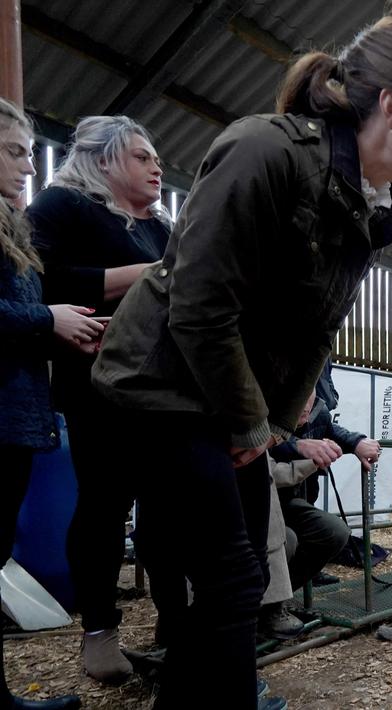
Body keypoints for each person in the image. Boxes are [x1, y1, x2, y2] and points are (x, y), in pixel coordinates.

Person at [90, 14, 392, 709]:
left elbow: (318, 325)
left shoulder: (367, 205)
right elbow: (201, 307)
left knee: (236, 580)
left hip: (216, 401)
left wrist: (277, 410)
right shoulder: (264, 151)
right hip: (158, 387)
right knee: (234, 578)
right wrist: (250, 427)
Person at [27, 115, 171, 684]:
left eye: (156, 158)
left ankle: (173, 619)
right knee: (104, 506)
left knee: (168, 507)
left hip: (165, 389)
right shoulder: (62, 206)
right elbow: (36, 277)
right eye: (142, 156)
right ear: (104, 160)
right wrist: (141, 275)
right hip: (98, 386)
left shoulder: (163, 229)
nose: (157, 165)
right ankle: (99, 633)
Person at [0, 96, 90, 710]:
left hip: (15, 416)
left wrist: (58, 321)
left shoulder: (12, 225)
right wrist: (45, 319)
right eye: (12, 151)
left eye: (29, 152)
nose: (28, 166)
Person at [265, 364, 380, 634]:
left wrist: (357, 442)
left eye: (310, 397)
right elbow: (258, 443)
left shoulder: (318, 408)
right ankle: (263, 606)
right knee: (285, 539)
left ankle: (273, 602)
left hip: (290, 500)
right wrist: (297, 446)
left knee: (334, 531)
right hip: (263, 497)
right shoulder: (264, 412)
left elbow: (329, 428)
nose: (305, 409)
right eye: (298, 399)